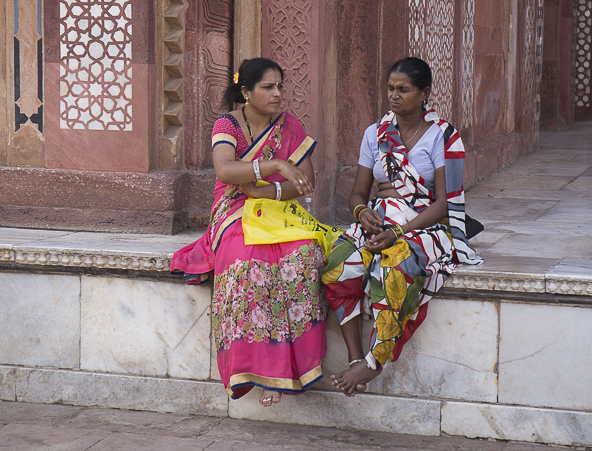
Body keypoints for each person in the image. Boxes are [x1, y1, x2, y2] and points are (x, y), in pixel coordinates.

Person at [170, 58, 327, 407]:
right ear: (246, 91)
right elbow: (225, 170)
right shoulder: (227, 124)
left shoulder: (289, 126)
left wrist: (267, 191)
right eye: (268, 87)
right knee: (248, 259)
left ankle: (290, 370)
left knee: (304, 255)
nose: (277, 94)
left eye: (280, 87)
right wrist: (273, 165)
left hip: (276, 210)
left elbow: (305, 184)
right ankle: (257, 370)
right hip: (234, 210)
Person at [322, 56, 482, 396]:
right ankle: (354, 357)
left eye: (404, 90)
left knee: (395, 268)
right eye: (391, 89)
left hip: (425, 225)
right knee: (337, 264)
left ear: (424, 93)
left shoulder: (443, 137)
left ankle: (374, 360)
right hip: (381, 219)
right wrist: (363, 212)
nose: (394, 96)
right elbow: (356, 193)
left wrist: (398, 232)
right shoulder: (375, 134)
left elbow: (444, 204)